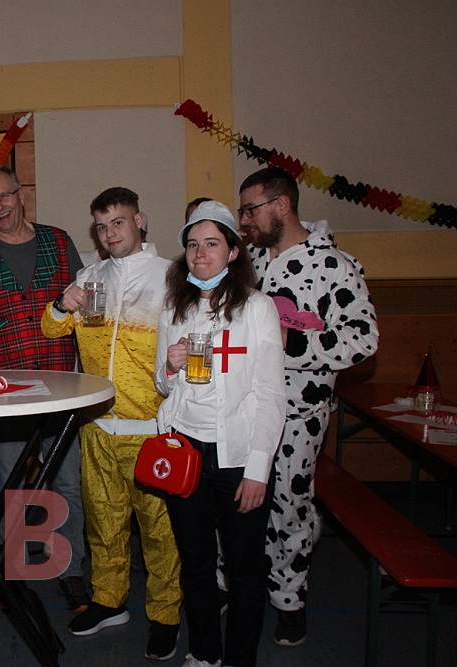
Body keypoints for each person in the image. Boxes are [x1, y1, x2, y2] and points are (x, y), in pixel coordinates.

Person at [237, 167, 378, 646]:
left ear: (281, 205)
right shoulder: (250, 261)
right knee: (236, 500)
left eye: (251, 209)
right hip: (243, 407)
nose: (245, 220)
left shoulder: (335, 266)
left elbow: (363, 340)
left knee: (288, 505)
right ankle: (234, 583)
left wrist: (289, 341)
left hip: (299, 412)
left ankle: (289, 599)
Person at [41, 187, 182, 658]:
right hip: (97, 426)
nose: (109, 233)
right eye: (101, 227)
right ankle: (108, 601)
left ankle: (165, 615)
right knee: (103, 523)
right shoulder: (89, 277)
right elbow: (52, 328)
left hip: (150, 429)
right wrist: (62, 304)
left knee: (160, 532)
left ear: (139, 221)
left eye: (117, 222)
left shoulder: (171, 278)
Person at [155, 201, 286, 667]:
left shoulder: (257, 308)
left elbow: (272, 394)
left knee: (245, 570)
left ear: (233, 251)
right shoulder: (175, 306)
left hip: (238, 458)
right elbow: (162, 386)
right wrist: (170, 367)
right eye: (192, 245)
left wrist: (258, 470)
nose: (200, 254)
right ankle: (205, 651)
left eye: (211, 244)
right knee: (195, 565)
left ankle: (239, 659)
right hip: (187, 452)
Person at [0, 165, 88, 611]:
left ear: (21, 195)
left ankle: (71, 571)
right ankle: (9, 573)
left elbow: (84, 308)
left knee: (67, 483)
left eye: (5, 195)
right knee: (8, 486)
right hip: (7, 391)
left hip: (60, 384)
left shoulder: (59, 241)